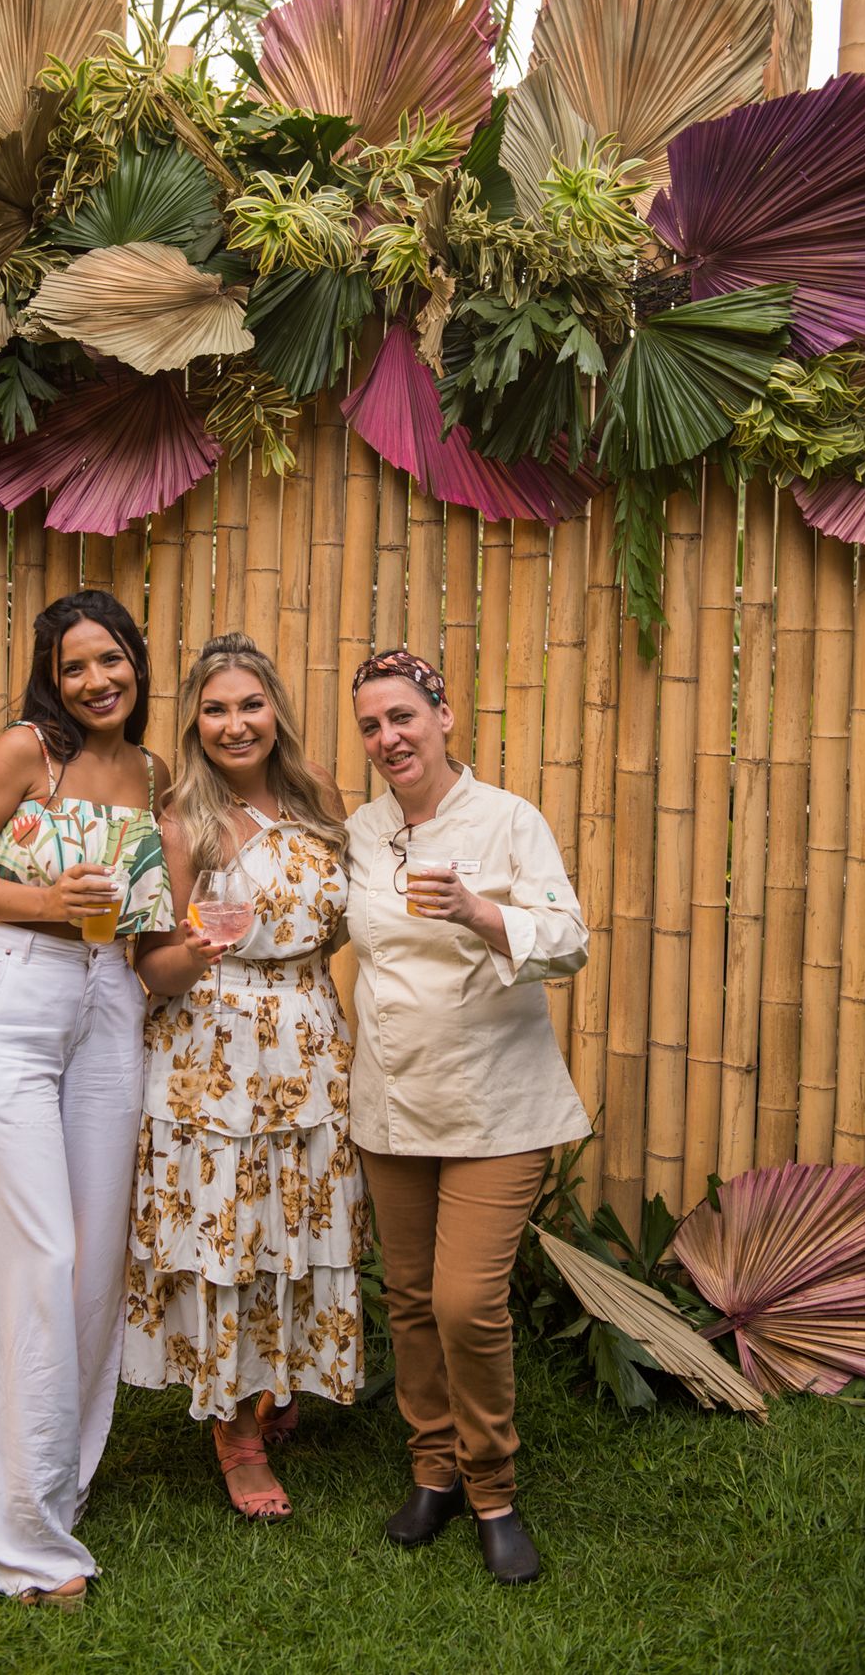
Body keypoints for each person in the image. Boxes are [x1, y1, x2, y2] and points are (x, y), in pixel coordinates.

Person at [0, 590, 173, 1609]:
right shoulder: (28, 752)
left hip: (109, 999)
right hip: (11, 991)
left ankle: (54, 1483)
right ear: (50, 677)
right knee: (30, 1255)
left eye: (111, 659)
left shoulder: (153, 773)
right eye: (74, 666)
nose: (96, 680)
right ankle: (19, 1539)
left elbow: (149, 923)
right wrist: (43, 900)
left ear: (138, 662)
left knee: (91, 1261)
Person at [345, 649, 590, 1585]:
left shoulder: (510, 819)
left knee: (466, 1302)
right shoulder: (362, 831)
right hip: (393, 1099)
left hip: (497, 1101)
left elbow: (568, 939)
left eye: (403, 716)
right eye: (371, 725)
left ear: (443, 717)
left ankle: (493, 1487)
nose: (388, 738)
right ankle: (432, 1471)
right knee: (410, 1299)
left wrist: (480, 912)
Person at [122, 633, 368, 1521]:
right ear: (195, 721)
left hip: (308, 1035)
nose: (235, 724)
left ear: (275, 711)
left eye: (250, 705)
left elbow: (339, 923)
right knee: (228, 1232)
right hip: (214, 1050)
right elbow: (153, 970)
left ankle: (279, 1374)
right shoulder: (180, 822)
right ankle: (234, 1433)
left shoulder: (319, 797)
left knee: (295, 1217)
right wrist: (196, 949)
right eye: (216, 709)